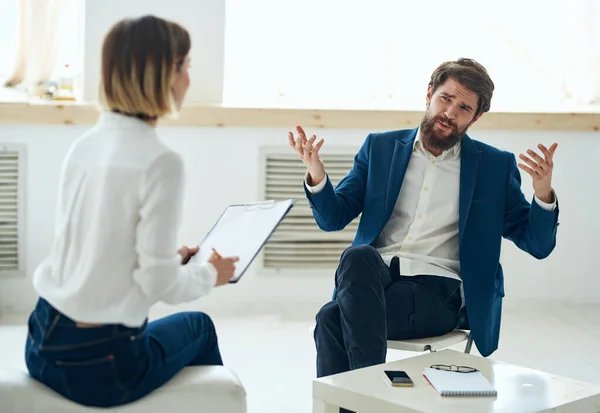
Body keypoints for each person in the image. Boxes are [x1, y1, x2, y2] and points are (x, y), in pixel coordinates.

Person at [288, 57, 559, 396]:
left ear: (476, 117)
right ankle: (371, 395)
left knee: (331, 318)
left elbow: (537, 243)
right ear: (429, 94)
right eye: (445, 99)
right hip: (376, 279)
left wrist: (543, 193)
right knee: (357, 257)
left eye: (463, 108)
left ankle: (368, 398)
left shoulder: (493, 166)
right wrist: (316, 174)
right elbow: (332, 217)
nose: (450, 112)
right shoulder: (381, 148)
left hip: (438, 293)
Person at [24, 15, 239, 408]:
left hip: (40, 341)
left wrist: (172, 260)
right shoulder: (161, 161)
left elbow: (89, 252)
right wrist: (211, 274)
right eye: (186, 66)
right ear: (163, 73)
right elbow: (159, 285)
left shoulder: (84, 146)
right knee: (200, 327)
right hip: (101, 364)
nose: (190, 79)